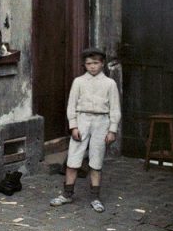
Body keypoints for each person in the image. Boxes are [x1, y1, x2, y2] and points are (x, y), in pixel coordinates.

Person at [50, 48, 121, 212]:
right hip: (82, 120)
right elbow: (71, 106)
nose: (92, 67)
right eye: (89, 64)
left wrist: (112, 129)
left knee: (96, 160)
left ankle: (95, 197)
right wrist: (73, 125)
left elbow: (115, 109)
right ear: (84, 65)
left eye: (96, 63)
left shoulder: (110, 84)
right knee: (73, 158)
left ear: (102, 64)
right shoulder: (79, 82)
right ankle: (67, 194)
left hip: (101, 121)